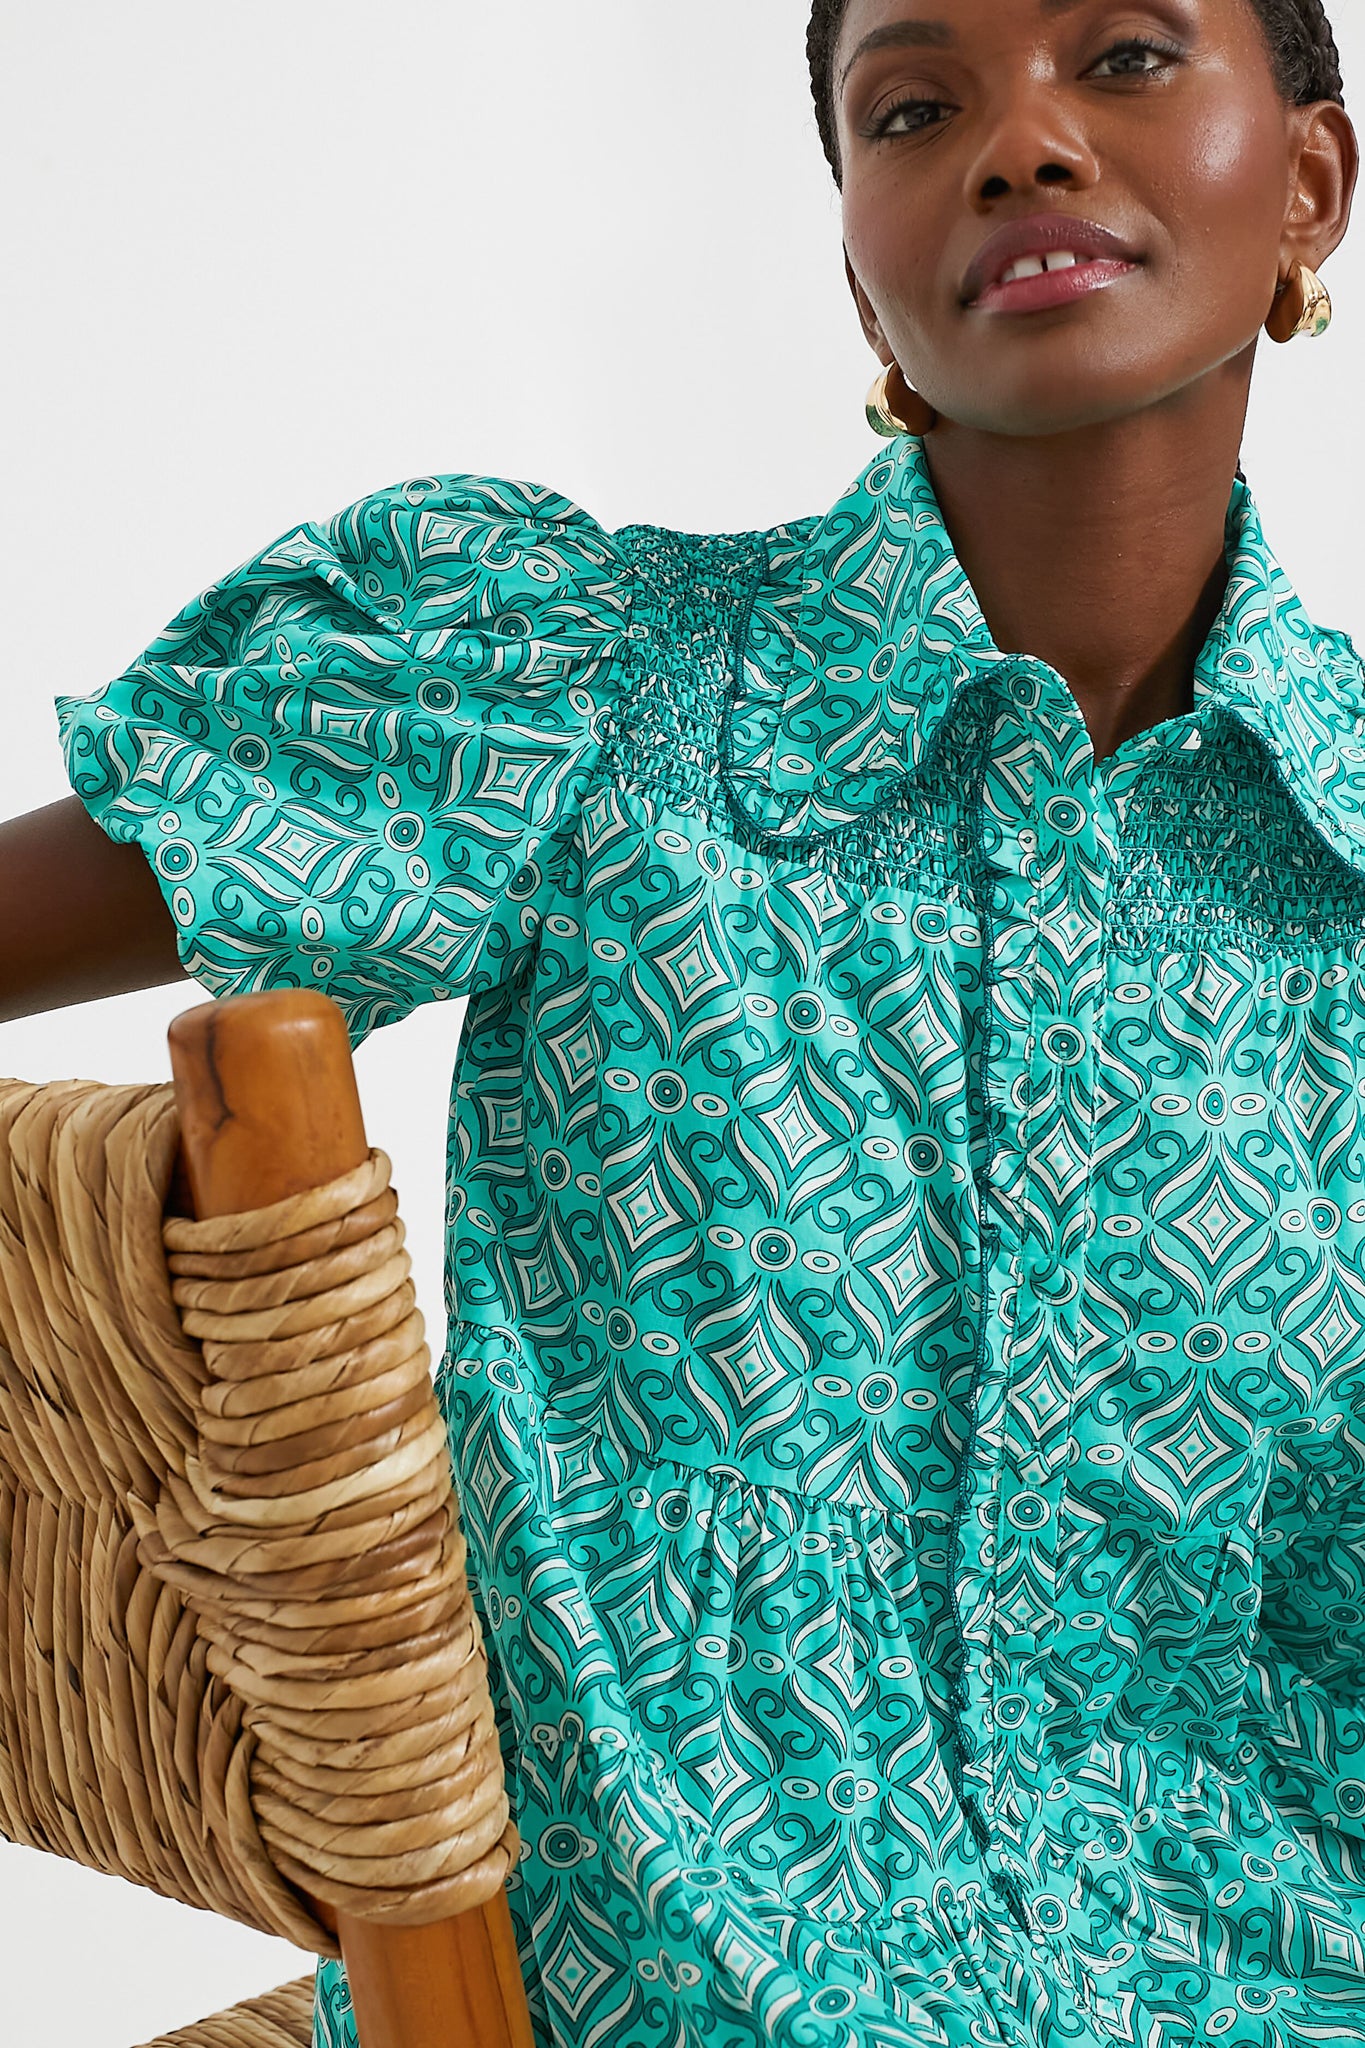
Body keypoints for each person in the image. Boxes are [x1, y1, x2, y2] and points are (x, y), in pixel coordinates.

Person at [1, 1, 1360, 2042]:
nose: (1020, 144)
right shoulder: (578, 695)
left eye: (1126, 58)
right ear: (861, 272)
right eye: (914, 107)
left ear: (1309, 187)